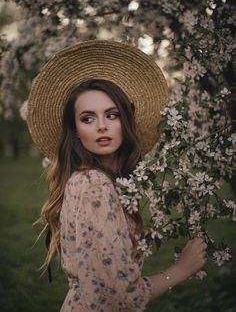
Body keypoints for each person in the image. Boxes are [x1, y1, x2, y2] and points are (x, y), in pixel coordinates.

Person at [27, 40, 207, 311]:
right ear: (75, 130)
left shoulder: (94, 180)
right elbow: (119, 296)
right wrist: (181, 269)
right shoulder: (93, 184)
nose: (101, 126)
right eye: (87, 118)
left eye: (111, 115)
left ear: (126, 120)